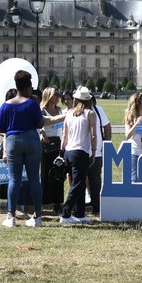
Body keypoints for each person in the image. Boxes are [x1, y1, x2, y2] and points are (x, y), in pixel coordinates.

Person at [0, 71, 47, 228]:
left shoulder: (6, 105)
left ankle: (11, 216)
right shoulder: (32, 104)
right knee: (34, 180)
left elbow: (0, 128)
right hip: (31, 140)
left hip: (13, 142)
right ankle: (37, 216)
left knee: (14, 179)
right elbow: (39, 124)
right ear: (29, 87)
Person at [59, 86, 98, 225]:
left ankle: (80, 213)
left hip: (68, 151)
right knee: (78, 183)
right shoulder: (90, 113)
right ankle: (66, 212)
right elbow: (93, 135)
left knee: (78, 184)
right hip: (81, 152)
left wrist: (61, 152)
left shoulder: (69, 113)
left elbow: (64, 135)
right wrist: (93, 151)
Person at [39, 87, 66, 213]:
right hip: (47, 145)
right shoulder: (42, 110)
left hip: (59, 144)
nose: (58, 96)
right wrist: (42, 133)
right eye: (56, 94)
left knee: (59, 174)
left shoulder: (59, 110)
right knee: (46, 174)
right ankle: (45, 200)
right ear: (48, 96)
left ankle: (57, 202)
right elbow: (39, 125)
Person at [85, 92, 111, 217]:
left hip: (97, 150)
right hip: (81, 150)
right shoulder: (75, 111)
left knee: (95, 180)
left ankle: (96, 206)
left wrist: (107, 143)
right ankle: (79, 207)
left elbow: (107, 127)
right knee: (80, 180)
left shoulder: (98, 109)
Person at [124, 92, 142, 183]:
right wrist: (136, 123)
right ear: (138, 103)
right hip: (135, 152)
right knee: (135, 179)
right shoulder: (130, 117)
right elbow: (128, 135)